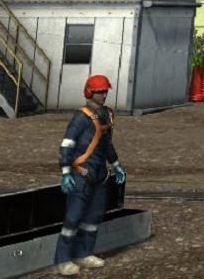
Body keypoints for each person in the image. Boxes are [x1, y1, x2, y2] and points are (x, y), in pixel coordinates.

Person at [56, 74, 126, 276]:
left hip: (100, 175)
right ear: (90, 92)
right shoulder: (81, 117)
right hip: (81, 174)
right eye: (100, 92)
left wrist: (116, 164)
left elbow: (107, 145)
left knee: (94, 217)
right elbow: (67, 146)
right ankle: (62, 259)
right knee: (73, 218)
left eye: (105, 91)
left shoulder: (106, 116)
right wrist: (66, 172)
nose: (104, 95)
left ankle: (84, 253)